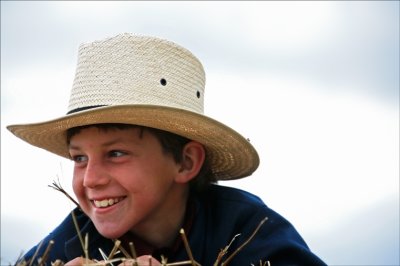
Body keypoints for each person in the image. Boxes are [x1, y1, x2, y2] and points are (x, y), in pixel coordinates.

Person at [8, 33, 326, 266]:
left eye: (115, 153)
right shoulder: (63, 249)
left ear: (186, 162)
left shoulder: (247, 231)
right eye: (79, 158)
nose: (90, 179)